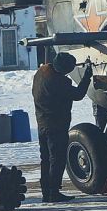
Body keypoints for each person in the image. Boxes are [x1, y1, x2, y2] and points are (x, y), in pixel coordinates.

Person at [31, 51, 93, 202]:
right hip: (56, 126)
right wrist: (86, 77)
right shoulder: (57, 82)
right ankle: (53, 192)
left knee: (45, 159)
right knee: (57, 159)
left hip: (42, 124)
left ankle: (47, 191)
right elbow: (78, 94)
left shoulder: (41, 73)